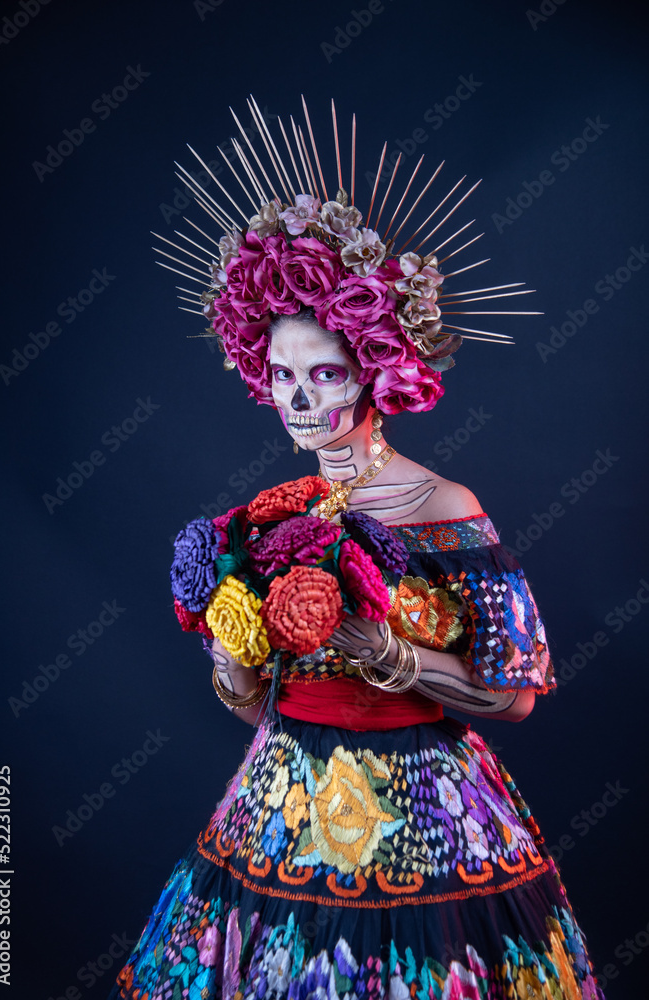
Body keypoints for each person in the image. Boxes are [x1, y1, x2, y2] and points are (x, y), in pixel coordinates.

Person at [109, 100, 605, 999]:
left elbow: (515, 695)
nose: (299, 399)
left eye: (325, 372)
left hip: (426, 807)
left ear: (375, 367)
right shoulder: (269, 515)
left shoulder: (443, 506)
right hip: (282, 802)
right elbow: (260, 705)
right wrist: (232, 663)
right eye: (283, 375)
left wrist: (385, 653)